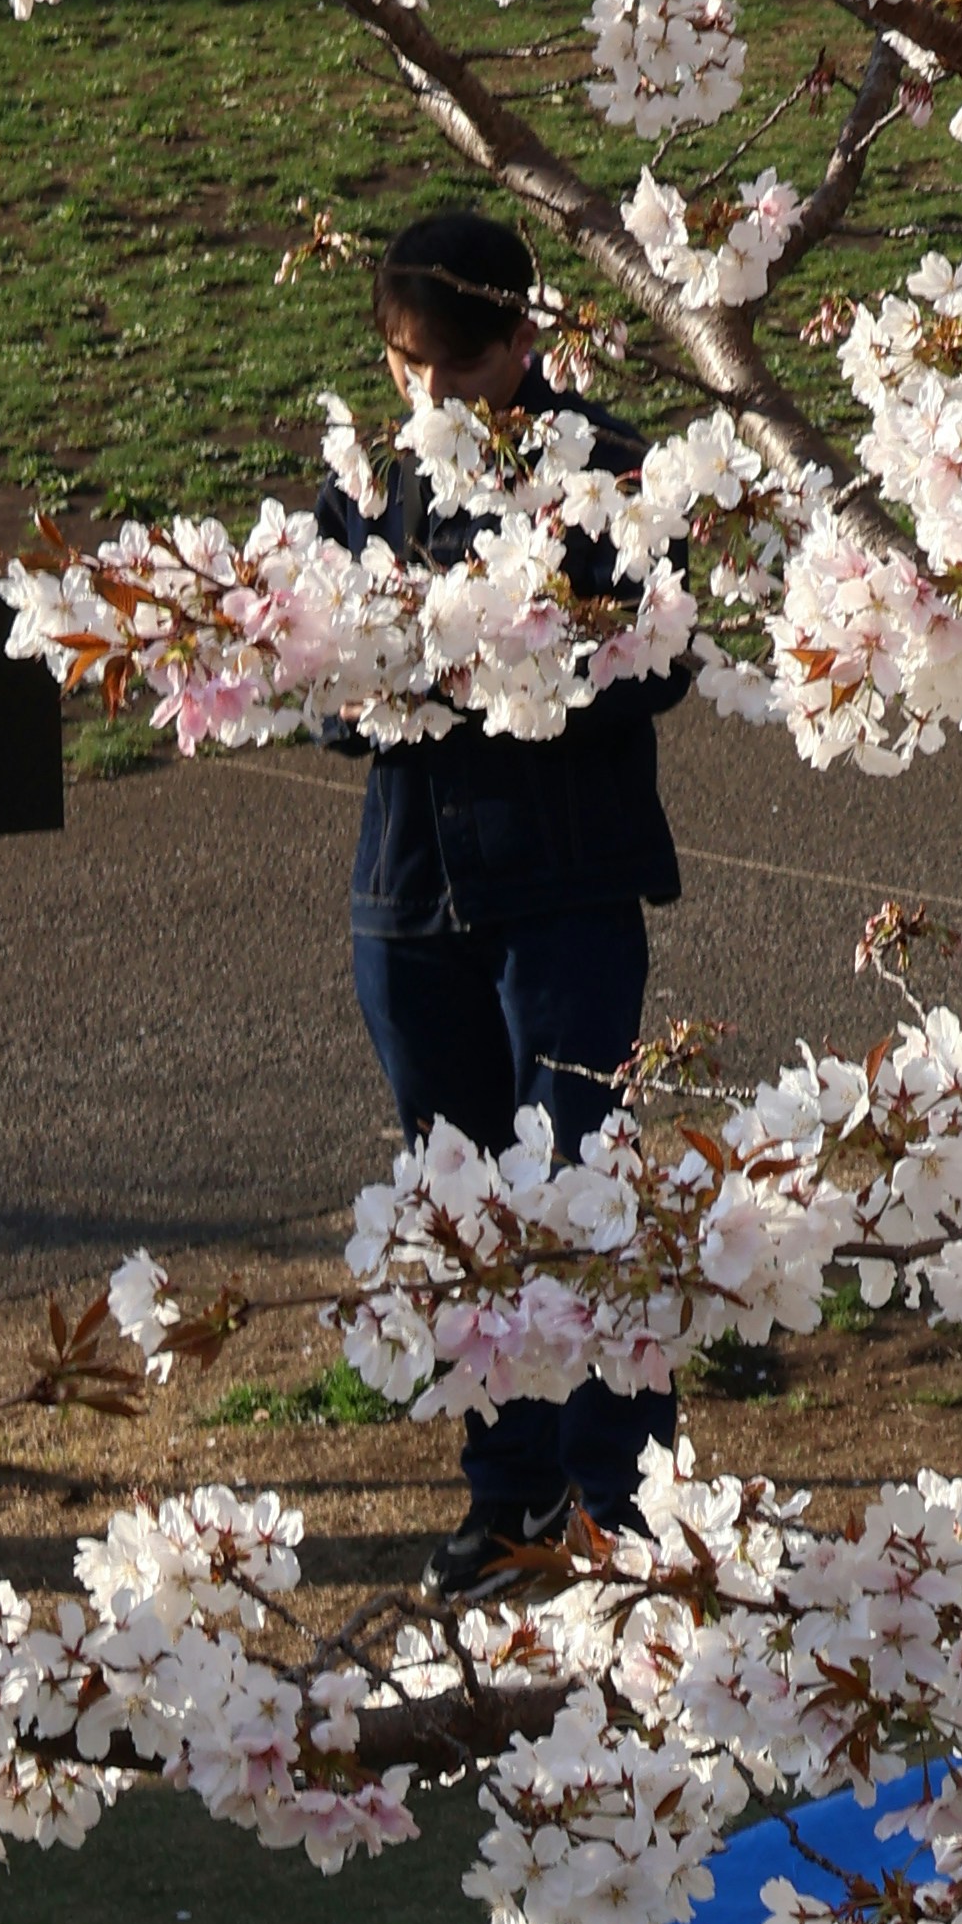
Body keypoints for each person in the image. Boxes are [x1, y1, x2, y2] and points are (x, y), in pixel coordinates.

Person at [318, 204, 684, 1594]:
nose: (419, 394)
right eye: (401, 364)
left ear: (519, 343)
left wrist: (519, 675)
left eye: (444, 369)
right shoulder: (364, 480)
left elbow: (659, 659)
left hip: (566, 889)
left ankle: (619, 1505)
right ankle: (514, 1493)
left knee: (581, 1188)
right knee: (459, 1205)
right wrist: (375, 683)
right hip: (409, 896)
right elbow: (330, 698)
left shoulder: (609, 466)